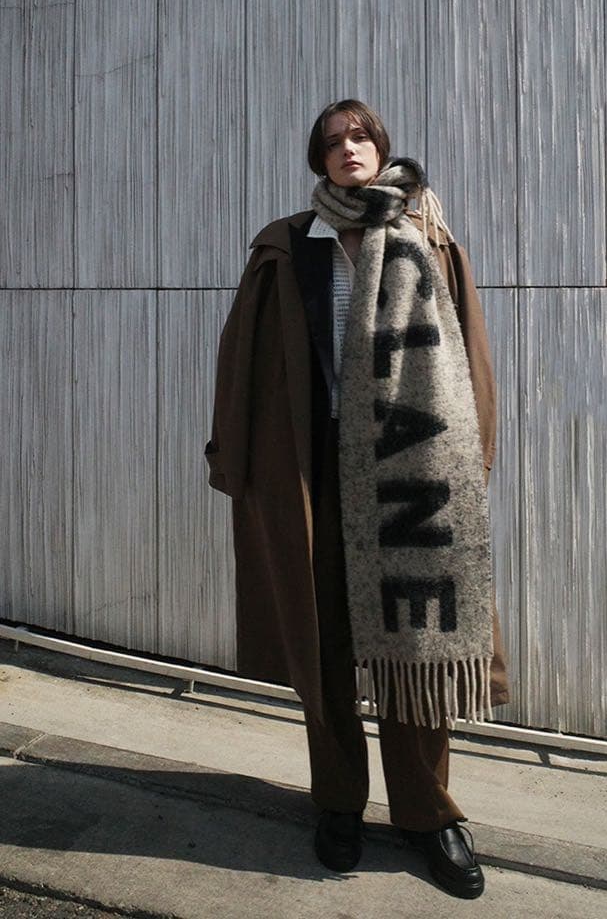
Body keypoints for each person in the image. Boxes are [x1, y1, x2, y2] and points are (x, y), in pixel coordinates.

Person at [205, 99, 509, 899]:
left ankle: (428, 815)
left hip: (409, 465)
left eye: (360, 136)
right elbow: (241, 358)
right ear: (320, 159)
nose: (348, 148)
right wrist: (234, 456)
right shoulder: (286, 247)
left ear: (381, 148)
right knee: (325, 641)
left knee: (416, 638)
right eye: (334, 140)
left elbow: (470, 353)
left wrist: (471, 460)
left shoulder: (426, 237)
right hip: (309, 465)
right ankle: (338, 801)